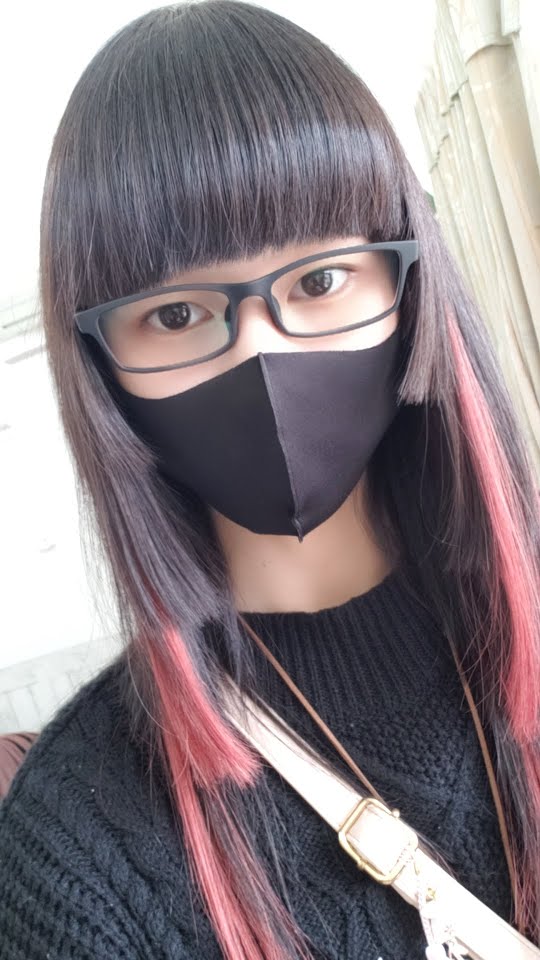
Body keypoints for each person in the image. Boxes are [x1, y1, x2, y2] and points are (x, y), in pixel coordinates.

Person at [0, 2, 539, 958]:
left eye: (320, 281)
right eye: (175, 315)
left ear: (408, 288)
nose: (259, 350)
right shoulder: (73, 851)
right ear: (102, 369)